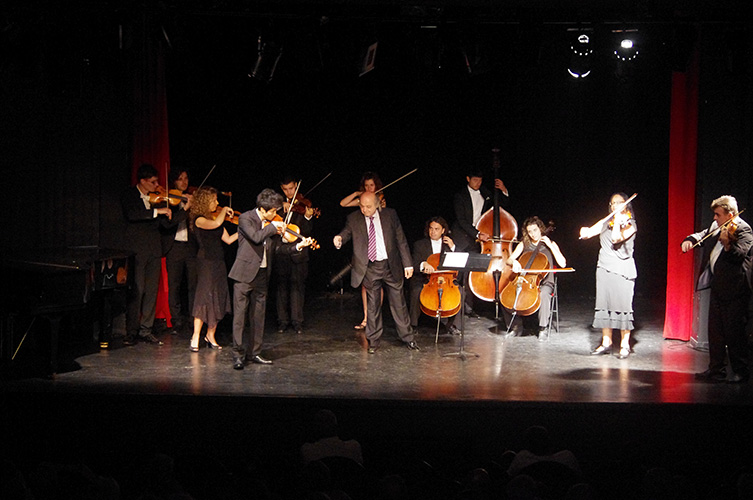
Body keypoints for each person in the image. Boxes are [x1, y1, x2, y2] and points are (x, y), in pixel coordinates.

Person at [229, 188, 315, 370]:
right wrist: (273, 227)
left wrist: (298, 246)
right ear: (263, 209)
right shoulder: (246, 218)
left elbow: (278, 249)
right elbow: (255, 237)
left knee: (258, 316)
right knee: (240, 317)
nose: (277, 215)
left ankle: (255, 353)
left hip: (261, 275)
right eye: (274, 212)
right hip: (244, 275)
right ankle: (238, 354)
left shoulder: (271, 224)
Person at [333, 191, 418, 353]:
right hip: (370, 267)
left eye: (368, 207)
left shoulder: (390, 215)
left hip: (390, 265)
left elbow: (401, 239)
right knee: (372, 305)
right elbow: (346, 233)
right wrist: (339, 239)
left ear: (377, 204)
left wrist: (408, 264)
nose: (365, 210)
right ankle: (373, 340)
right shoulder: (354, 218)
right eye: (362, 206)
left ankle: (408, 337)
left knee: (398, 302)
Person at [683, 195, 752, 383]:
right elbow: (703, 234)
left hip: (736, 290)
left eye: (717, 214)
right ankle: (716, 370)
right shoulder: (717, 226)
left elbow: (740, 255)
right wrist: (690, 239)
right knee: (715, 332)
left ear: (730, 214)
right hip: (718, 286)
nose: (714, 218)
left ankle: (741, 372)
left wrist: (728, 243)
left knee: (734, 333)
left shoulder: (744, 230)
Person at [121, 163, 180, 346]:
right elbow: (133, 214)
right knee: (137, 292)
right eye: (153, 182)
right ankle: (131, 332)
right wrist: (157, 211)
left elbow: (166, 225)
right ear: (143, 181)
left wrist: (177, 210)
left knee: (151, 292)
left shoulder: (158, 199)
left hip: (154, 251)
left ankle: (146, 330)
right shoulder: (130, 195)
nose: (156, 186)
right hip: (137, 251)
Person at [580, 193, 637, 359]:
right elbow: (588, 232)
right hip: (604, 267)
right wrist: (584, 231)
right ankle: (606, 342)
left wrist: (619, 222)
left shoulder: (630, 224)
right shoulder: (606, 221)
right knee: (604, 305)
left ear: (626, 205)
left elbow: (615, 239)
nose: (616, 205)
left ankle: (625, 344)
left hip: (622, 269)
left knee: (623, 307)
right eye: (613, 203)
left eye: (620, 202)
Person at [451, 168, 510, 316]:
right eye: (475, 180)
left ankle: (469, 309)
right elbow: (462, 221)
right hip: (463, 238)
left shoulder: (485, 193)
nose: (478, 183)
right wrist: (477, 233)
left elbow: (500, 206)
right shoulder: (460, 196)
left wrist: (503, 190)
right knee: (459, 274)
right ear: (468, 179)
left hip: (479, 240)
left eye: (480, 180)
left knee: (472, 274)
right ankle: (455, 307)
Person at [188, 187, 238, 352]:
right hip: (206, 262)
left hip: (218, 262)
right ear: (205, 202)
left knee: (217, 296)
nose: (217, 203)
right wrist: (224, 210)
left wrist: (244, 231)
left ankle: (210, 334)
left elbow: (229, 240)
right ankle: (195, 336)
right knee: (204, 296)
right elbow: (216, 224)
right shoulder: (199, 219)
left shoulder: (215, 218)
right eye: (214, 200)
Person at [505, 216, 567, 341]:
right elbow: (509, 259)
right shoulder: (524, 244)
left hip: (545, 282)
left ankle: (542, 328)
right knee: (507, 294)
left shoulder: (551, 244)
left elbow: (563, 263)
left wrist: (550, 245)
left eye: (535, 230)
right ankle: (516, 326)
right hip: (526, 280)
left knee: (544, 294)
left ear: (540, 229)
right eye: (530, 232)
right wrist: (514, 263)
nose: (533, 234)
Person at [339, 171, 386, 330]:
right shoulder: (362, 202)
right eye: (366, 186)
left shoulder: (380, 200)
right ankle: (366, 317)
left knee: (377, 286)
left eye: (371, 185)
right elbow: (343, 204)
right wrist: (357, 194)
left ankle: (375, 317)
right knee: (365, 286)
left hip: (378, 251)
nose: (369, 188)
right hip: (364, 249)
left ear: (377, 186)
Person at [275, 176, 315, 335]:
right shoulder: (277, 204)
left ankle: (297, 322)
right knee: (281, 289)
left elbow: (306, 231)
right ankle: (282, 321)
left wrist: (308, 216)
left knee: (297, 288)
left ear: (297, 186)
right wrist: (280, 206)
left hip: (298, 253)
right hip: (281, 252)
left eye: (291, 188)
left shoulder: (304, 205)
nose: (289, 192)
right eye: (285, 189)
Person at [161, 169, 197, 334]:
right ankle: (176, 321)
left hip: (190, 247)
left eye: (186, 178)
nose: (184, 182)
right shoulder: (169, 201)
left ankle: (192, 320)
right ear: (173, 182)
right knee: (174, 285)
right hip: (174, 247)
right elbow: (168, 224)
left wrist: (194, 206)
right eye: (180, 179)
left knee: (193, 285)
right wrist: (184, 208)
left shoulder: (191, 198)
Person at [409, 216, 460, 335]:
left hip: (446, 280)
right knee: (416, 291)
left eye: (437, 229)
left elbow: (459, 265)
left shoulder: (449, 245)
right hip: (426, 280)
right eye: (431, 228)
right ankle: (413, 324)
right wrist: (423, 264)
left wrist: (453, 248)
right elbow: (414, 263)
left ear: (443, 231)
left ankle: (451, 325)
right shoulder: (420, 244)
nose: (433, 231)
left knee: (461, 292)